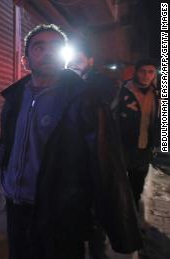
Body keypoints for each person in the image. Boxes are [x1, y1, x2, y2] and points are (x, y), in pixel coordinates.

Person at [0, 24, 142, 259]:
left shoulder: (85, 99)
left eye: (55, 47)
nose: (48, 52)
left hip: (61, 214)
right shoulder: (15, 97)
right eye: (39, 47)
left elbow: (106, 163)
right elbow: (6, 143)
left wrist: (119, 228)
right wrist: (1, 177)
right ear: (26, 59)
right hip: (16, 208)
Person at [68, 39, 120, 259]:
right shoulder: (63, 83)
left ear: (90, 61)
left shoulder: (101, 83)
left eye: (78, 60)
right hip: (69, 161)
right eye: (70, 60)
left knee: (95, 211)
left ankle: (98, 250)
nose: (73, 64)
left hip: (95, 159)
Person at [116, 59, 159, 208]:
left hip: (144, 149)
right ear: (136, 71)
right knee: (118, 185)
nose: (146, 75)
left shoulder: (157, 94)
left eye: (150, 72)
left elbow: (160, 121)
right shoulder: (122, 91)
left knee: (137, 185)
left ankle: (132, 216)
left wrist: (158, 145)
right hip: (123, 149)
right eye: (142, 71)